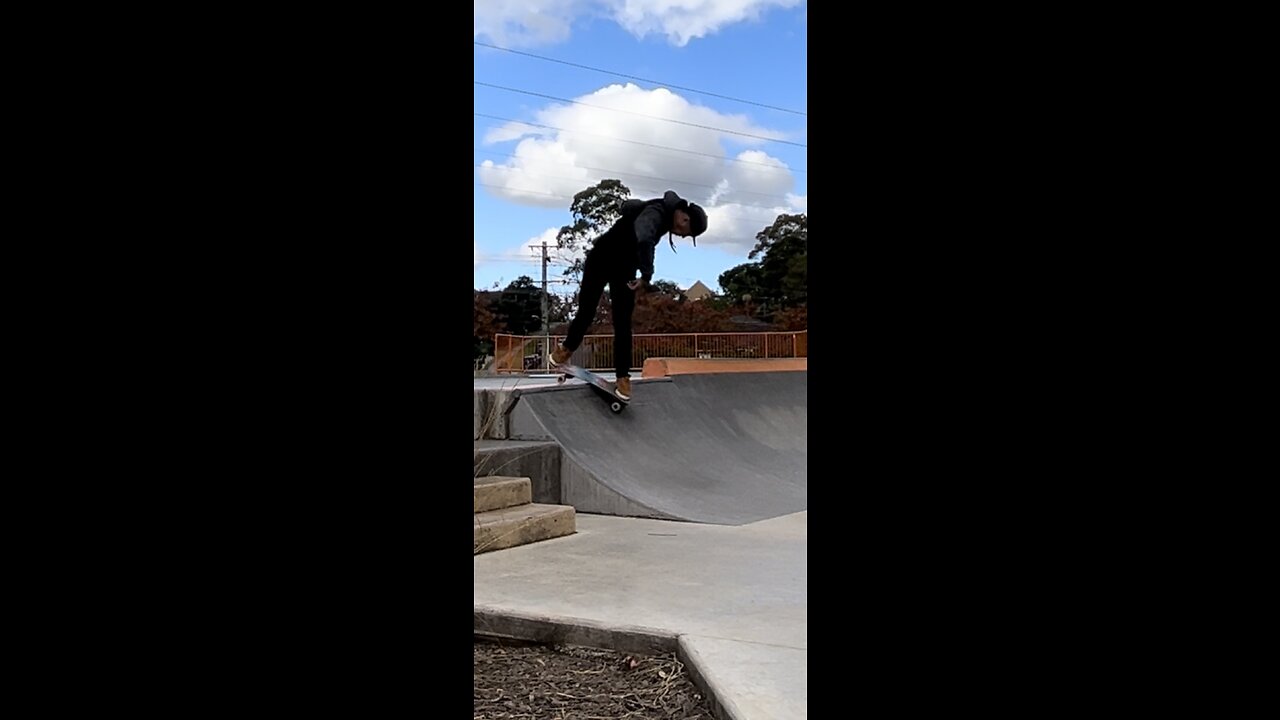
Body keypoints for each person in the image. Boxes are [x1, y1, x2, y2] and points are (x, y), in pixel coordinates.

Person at [550, 190, 708, 400]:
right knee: (588, 309)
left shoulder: (663, 215)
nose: (680, 235)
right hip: (602, 258)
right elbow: (644, 237)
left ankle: (623, 378)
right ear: (684, 218)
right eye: (685, 233)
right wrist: (647, 275)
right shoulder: (657, 212)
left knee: (623, 323)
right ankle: (566, 349)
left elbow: (631, 212)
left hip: (624, 269)